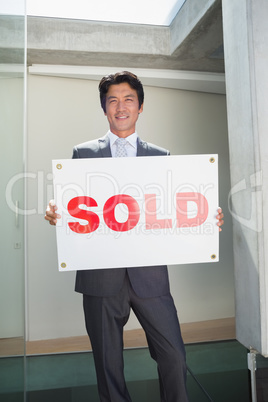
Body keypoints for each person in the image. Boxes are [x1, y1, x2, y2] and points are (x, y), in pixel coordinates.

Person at [45, 71, 224, 402]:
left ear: (140, 106)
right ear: (104, 109)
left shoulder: (160, 155)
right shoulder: (83, 153)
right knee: (108, 365)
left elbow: (172, 210)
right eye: (112, 100)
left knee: (173, 356)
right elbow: (76, 208)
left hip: (150, 278)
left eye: (128, 99)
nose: (121, 106)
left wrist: (203, 220)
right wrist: (56, 212)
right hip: (100, 278)